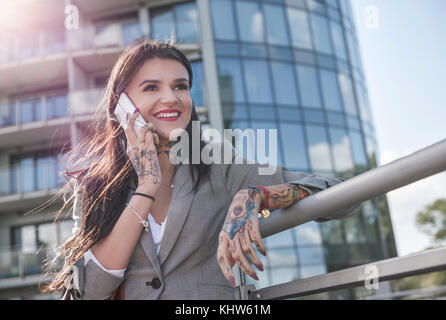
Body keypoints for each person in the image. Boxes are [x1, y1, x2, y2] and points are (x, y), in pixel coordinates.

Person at [41, 39, 360, 300]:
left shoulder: (217, 162)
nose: (171, 98)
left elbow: (343, 195)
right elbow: (85, 294)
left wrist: (256, 197)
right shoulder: (97, 186)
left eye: (180, 86)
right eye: (151, 87)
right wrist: (147, 186)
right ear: (121, 106)